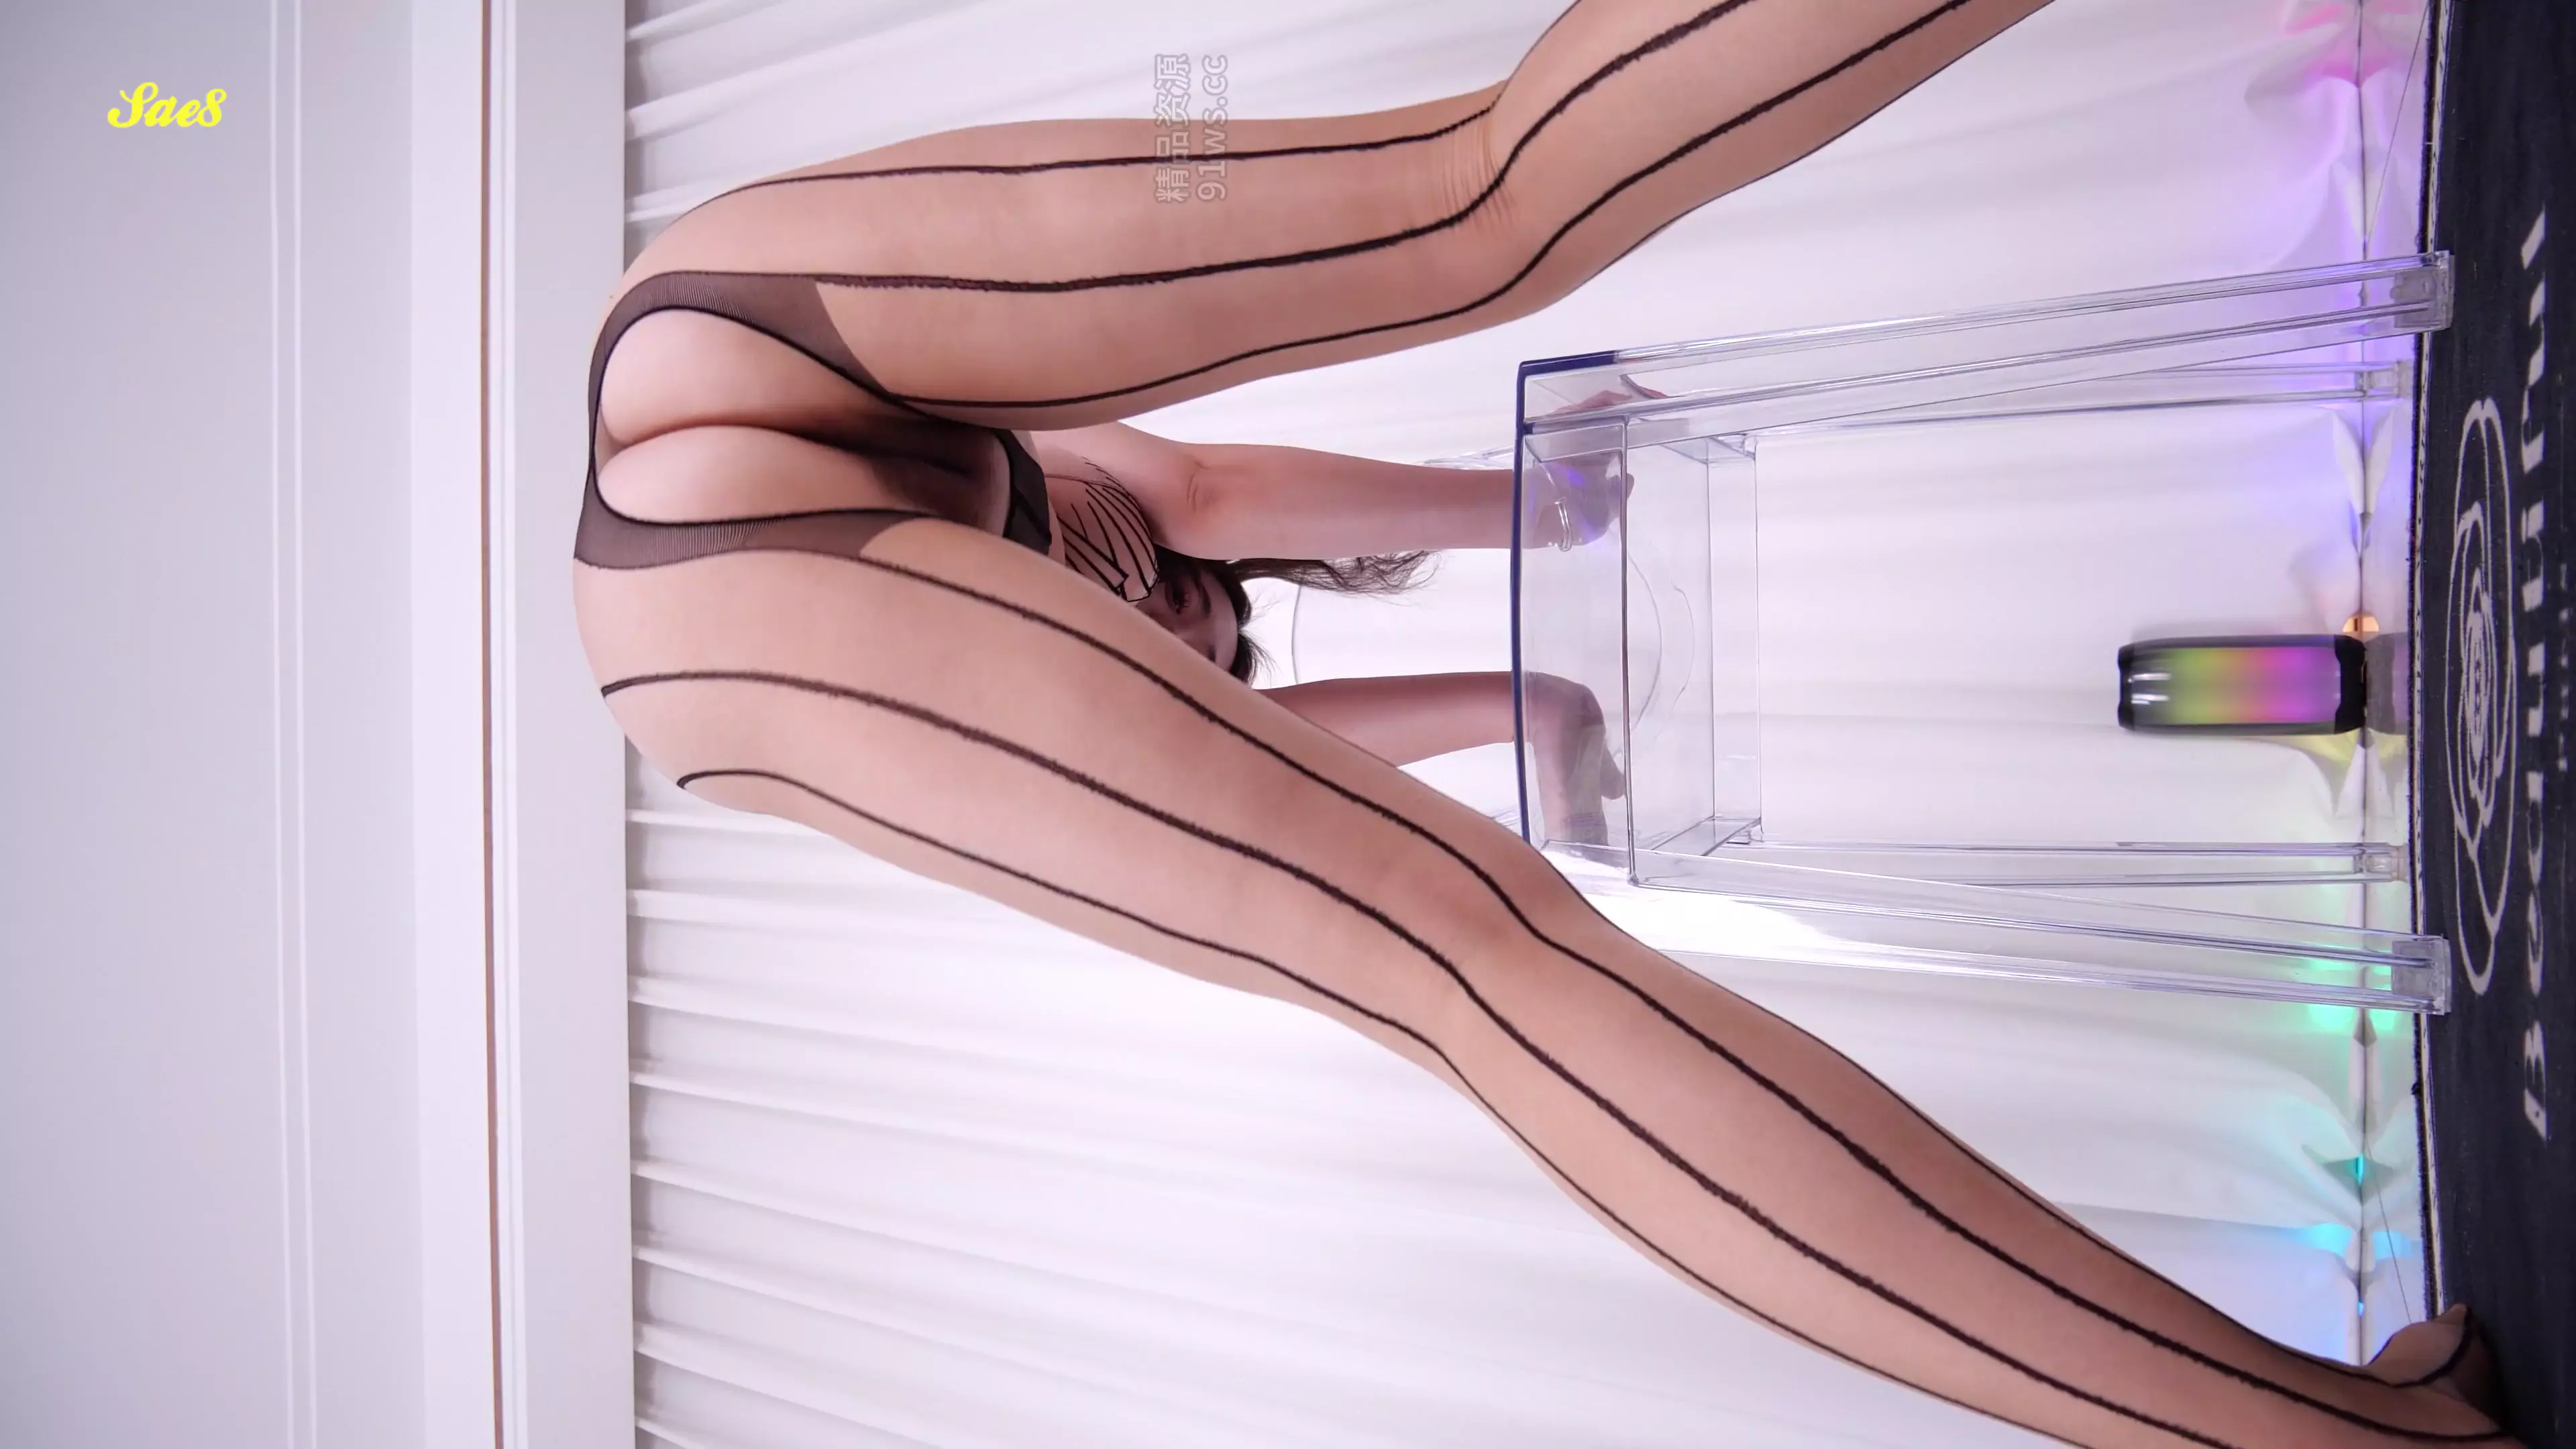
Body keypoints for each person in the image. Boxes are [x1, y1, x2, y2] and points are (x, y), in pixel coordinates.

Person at [571, 2, 2514, 1443]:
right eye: (1195, 645)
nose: (1165, 625)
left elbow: (1213, 497)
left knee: (1472, 951)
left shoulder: (1115, 520)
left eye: (1181, 618)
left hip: (721, 499)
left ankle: (2318, 1438)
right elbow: (1271, 604)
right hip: (707, 422)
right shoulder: (1055, 591)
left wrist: (1541, 512)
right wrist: (1534, 595)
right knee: (1489, 205)